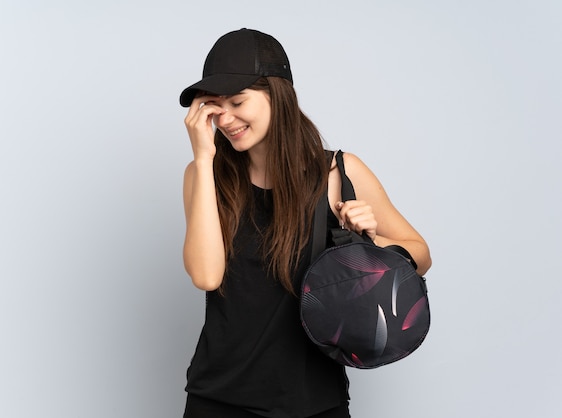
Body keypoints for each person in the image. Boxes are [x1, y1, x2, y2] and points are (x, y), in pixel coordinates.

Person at [179, 28, 431, 418]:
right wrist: (203, 159)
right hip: (218, 400)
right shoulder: (203, 175)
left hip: (313, 402)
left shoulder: (338, 173)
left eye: (237, 101)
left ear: (277, 96)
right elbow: (207, 275)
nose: (225, 118)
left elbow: (420, 254)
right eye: (214, 105)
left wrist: (372, 240)